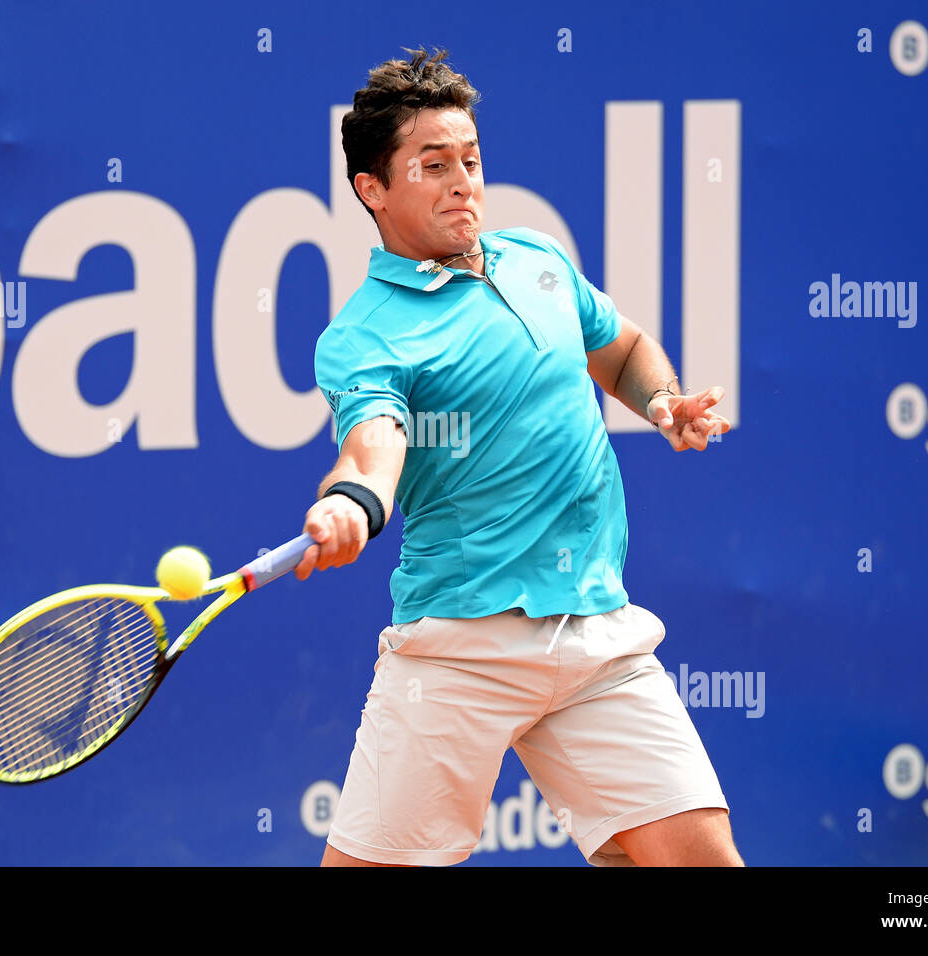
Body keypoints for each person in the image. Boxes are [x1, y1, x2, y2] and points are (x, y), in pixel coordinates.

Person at [294, 47, 742, 867]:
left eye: (470, 159)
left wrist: (662, 402)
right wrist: (350, 501)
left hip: (597, 631)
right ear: (373, 190)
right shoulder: (363, 336)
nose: (463, 180)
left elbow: (623, 346)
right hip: (461, 647)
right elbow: (374, 442)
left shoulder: (537, 259)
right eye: (433, 166)